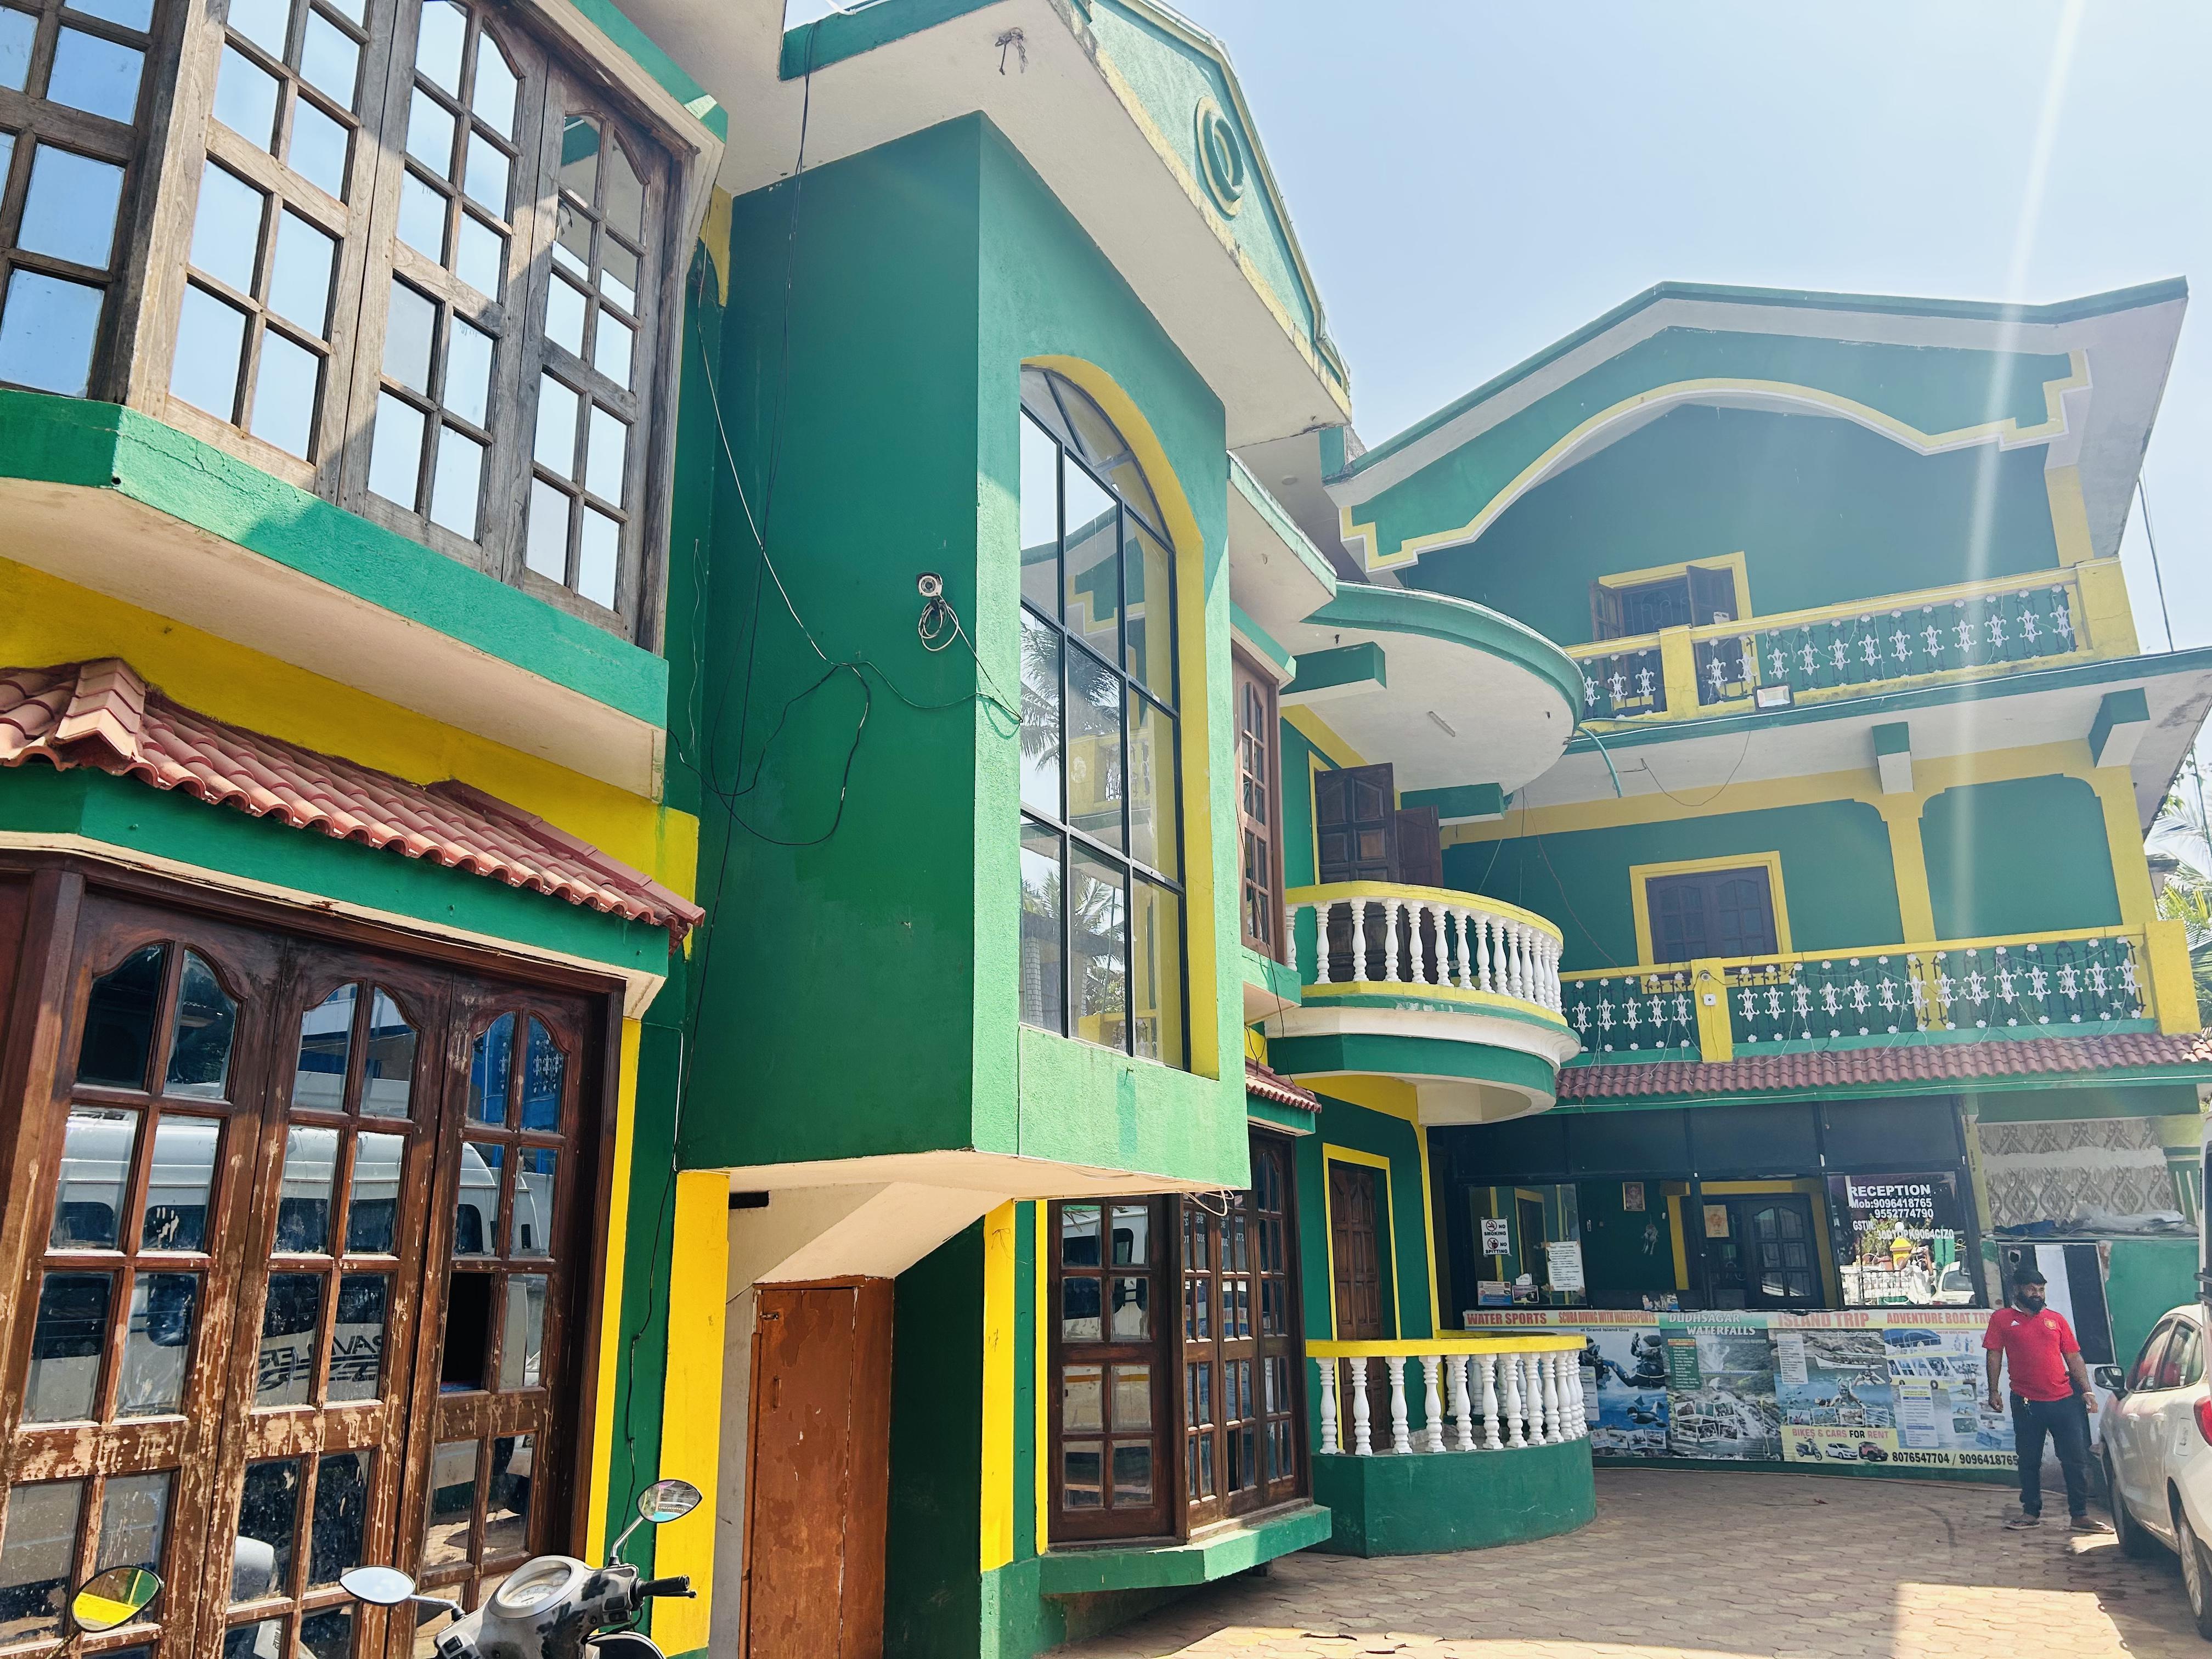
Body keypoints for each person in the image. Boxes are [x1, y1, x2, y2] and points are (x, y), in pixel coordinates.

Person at [1983, 1267, 2111, 1533]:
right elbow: (1994, 1354)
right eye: (2032, 1289)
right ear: (2017, 1290)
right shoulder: (2002, 1319)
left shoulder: (2056, 1320)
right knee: (2029, 1460)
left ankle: (2080, 1516)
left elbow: (2073, 1356)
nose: (2037, 1294)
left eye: (2041, 1290)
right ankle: (2030, 1512)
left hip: (2064, 1401)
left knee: (2075, 1459)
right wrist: (1993, 1391)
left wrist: (2087, 1390)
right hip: (2026, 1402)